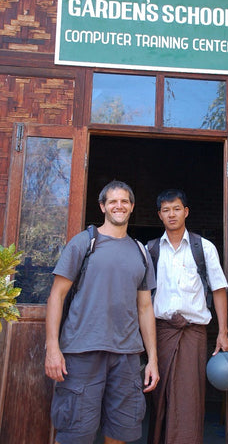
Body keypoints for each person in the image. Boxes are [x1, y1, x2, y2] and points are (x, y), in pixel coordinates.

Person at [45, 180, 159, 444]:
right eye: (112, 202)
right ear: (102, 206)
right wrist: (52, 348)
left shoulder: (141, 252)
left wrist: (152, 359)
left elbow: (145, 308)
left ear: (131, 207)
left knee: (120, 432)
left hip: (127, 357)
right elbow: (56, 296)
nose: (118, 206)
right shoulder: (84, 243)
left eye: (124, 202)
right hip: (82, 353)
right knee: (76, 433)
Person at [147, 189, 228, 444]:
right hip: (160, 332)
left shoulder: (203, 248)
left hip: (193, 333)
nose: (171, 214)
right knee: (158, 395)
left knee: (189, 397)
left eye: (176, 208)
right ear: (159, 215)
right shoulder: (150, 250)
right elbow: (140, 298)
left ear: (186, 212)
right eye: (166, 210)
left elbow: (218, 290)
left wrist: (223, 332)